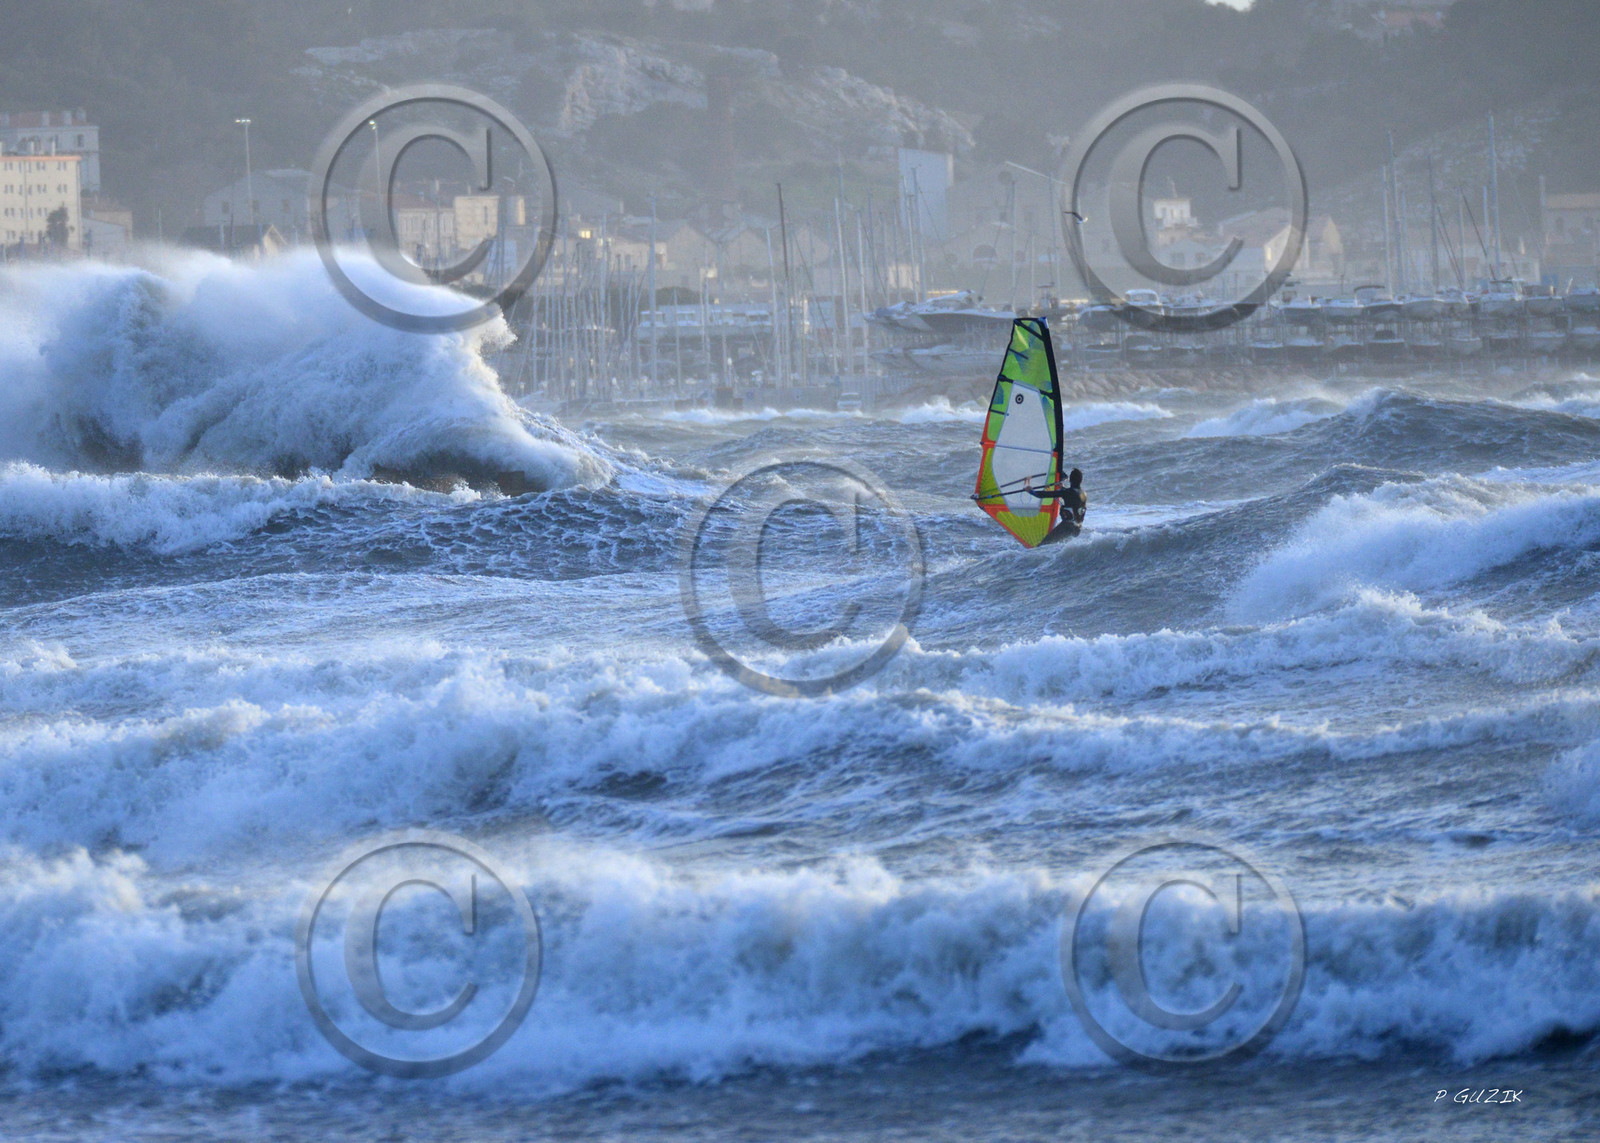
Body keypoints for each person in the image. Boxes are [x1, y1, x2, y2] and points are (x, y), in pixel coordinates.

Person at [1026, 468, 1086, 544]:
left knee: (1044, 545)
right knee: (1061, 546)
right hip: (1077, 528)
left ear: (1070, 480)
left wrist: (1031, 491)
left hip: (1067, 527)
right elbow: (1072, 496)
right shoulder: (1083, 493)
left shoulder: (1067, 492)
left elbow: (1042, 495)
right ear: (1081, 480)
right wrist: (1062, 488)